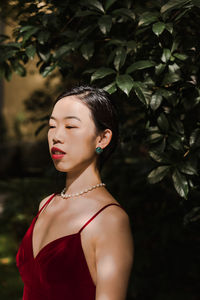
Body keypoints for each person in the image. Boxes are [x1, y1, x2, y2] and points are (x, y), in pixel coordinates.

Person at [16, 85, 134, 300]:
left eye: (70, 126)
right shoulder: (46, 204)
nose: (56, 136)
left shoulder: (110, 220)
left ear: (102, 139)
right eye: (52, 126)